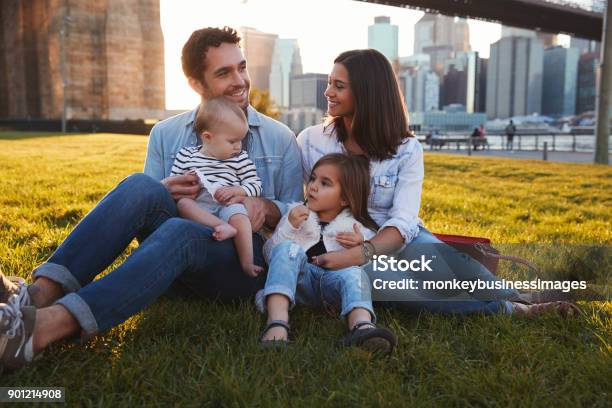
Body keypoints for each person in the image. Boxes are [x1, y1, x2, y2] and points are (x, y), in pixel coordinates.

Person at [0, 26, 304, 370]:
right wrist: (165, 190)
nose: (240, 80)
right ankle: (38, 295)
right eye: (224, 72)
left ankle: (41, 328)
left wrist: (264, 206)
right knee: (141, 186)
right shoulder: (165, 133)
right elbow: (148, 210)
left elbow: (299, 218)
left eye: (242, 67)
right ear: (195, 83)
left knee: (180, 232)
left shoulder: (280, 138)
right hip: (177, 257)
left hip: (242, 264)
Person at [297, 49, 579, 318]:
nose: (328, 92)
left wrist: (366, 250)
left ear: (367, 92)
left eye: (338, 85)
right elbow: (302, 206)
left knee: (449, 270)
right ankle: (513, 310)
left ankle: (519, 296)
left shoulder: (405, 148)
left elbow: (403, 221)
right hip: (342, 241)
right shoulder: (310, 141)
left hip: (398, 237)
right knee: (410, 291)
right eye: (329, 83)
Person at [257, 154, 397, 354]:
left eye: (325, 183)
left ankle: (361, 326)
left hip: (333, 291)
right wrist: (289, 227)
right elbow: (271, 254)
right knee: (288, 248)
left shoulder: (357, 228)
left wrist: (360, 247)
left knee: (354, 274)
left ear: (344, 199)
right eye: (312, 178)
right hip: (298, 283)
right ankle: (277, 323)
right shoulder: (294, 214)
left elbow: (372, 271)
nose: (313, 186)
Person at [172, 96, 264, 277]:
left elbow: (255, 185)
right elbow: (173, 181)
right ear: (207, 137)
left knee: (239, 214)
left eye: (241, 140)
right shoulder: (186, 155)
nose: (238, 147)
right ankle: (221, 226)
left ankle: (247, 262)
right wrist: (185, 179)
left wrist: (237, 190)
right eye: (232, 141)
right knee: (183, 204)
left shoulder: (239, 159)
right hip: (199, 207)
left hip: (227, 206)